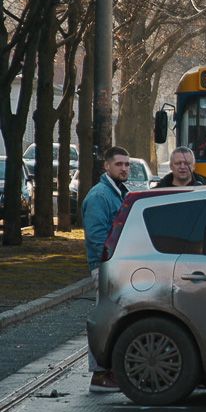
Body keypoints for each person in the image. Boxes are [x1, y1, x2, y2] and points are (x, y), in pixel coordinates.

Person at [81, 146, 131, 393]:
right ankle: (99, 374)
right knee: (103, 318)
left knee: (112, 317)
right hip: (106, 267)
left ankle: (107, 370)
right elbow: (97, 236)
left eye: (127, 164)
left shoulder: (118, 192)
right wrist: (108, 265)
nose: (124, 168)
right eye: (119, 164)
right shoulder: (101, 196)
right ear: (107, 166)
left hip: (115, 265)